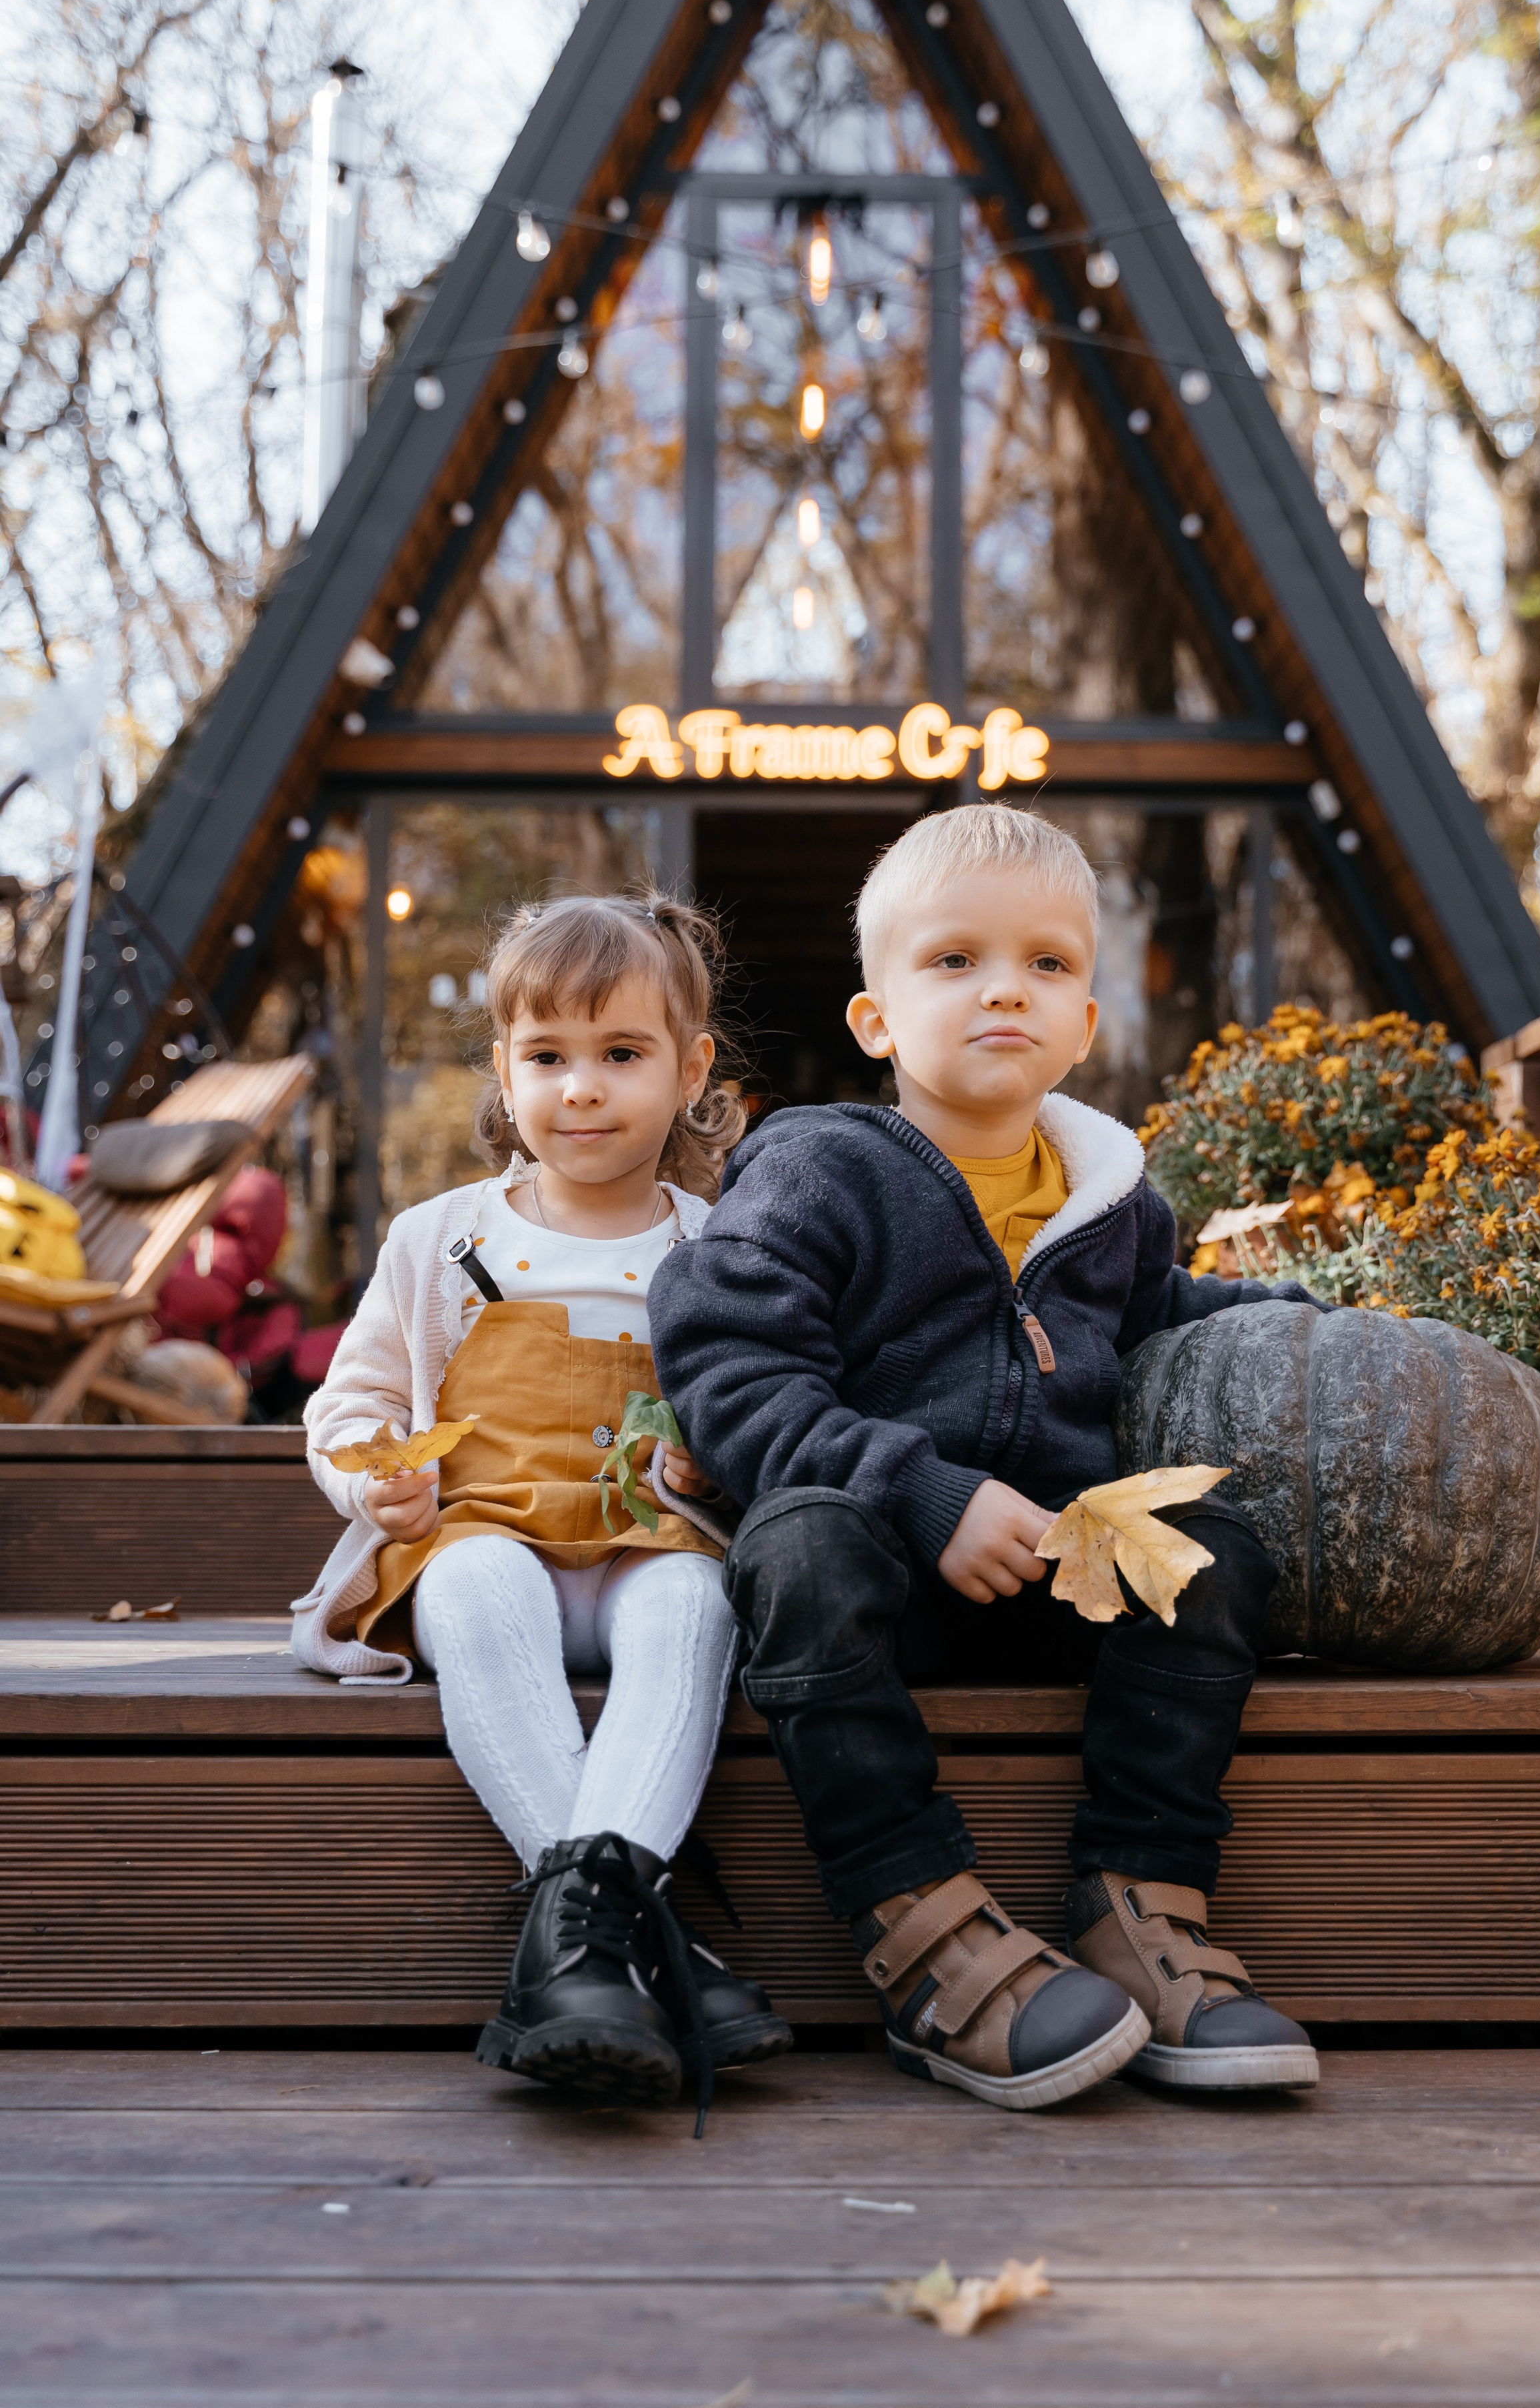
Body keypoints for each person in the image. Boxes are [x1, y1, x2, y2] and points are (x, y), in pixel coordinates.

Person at [650, 806, 1321, 2111]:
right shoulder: (816, 1172)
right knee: (795, 1544)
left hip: (1049, 1575)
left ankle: (1144, 1906)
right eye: (952, 960)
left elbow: (1159, 1322)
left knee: (1206, 1558)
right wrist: (917, 1491)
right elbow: (728, 1368)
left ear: (1082, 1020)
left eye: (1045, 965)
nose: (1003, 986)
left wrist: (1315, 1328)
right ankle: (922, 1922)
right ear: (877, 1021)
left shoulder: (1112, 1206)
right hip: (872, 1590)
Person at [295, 894, 789, 2127]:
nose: (582, 1088)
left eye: (622, 1055)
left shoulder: (720, 1245)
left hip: (647, 1543)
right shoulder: (443, 1239)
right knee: (472, 1587)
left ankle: (585, 1957)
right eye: (547, 1056)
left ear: (690, 1070)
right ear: (504, 1072)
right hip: (484, 1535)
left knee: (694, 1607)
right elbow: (349, 1401)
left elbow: (761, 1410)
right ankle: (647, 1946)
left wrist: (713, 1475)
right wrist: (372, 1476)